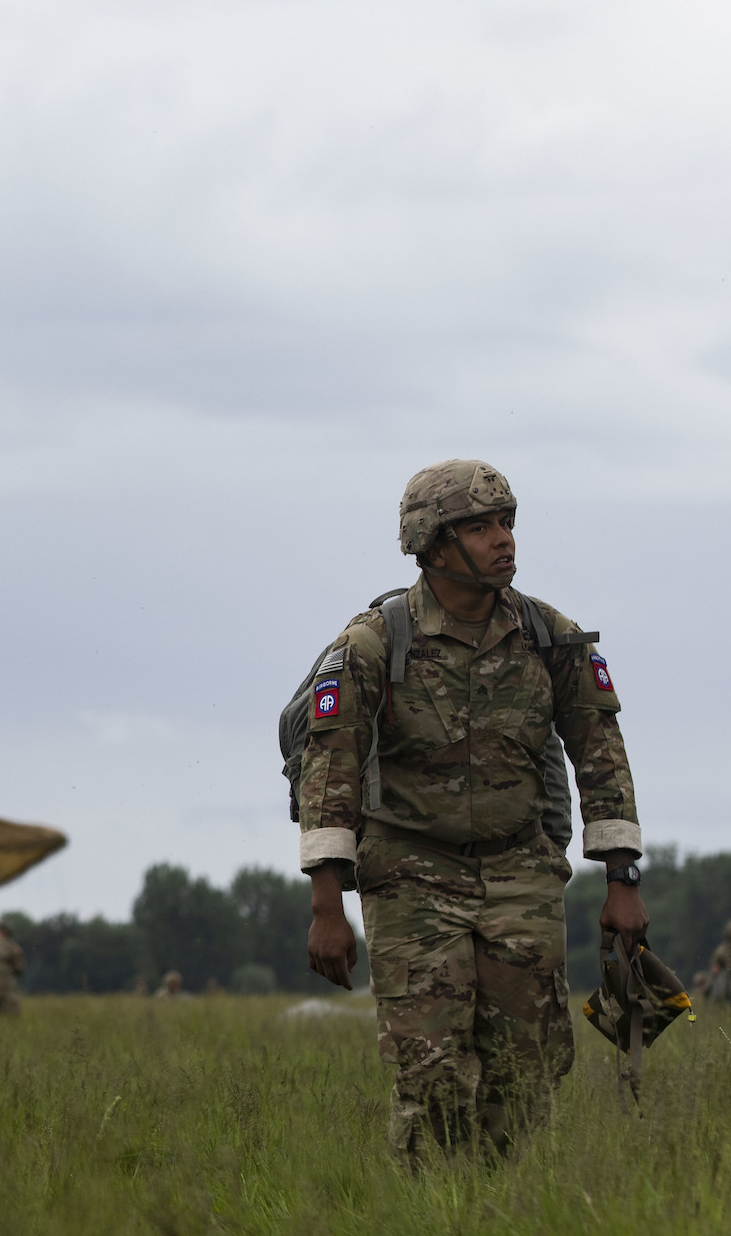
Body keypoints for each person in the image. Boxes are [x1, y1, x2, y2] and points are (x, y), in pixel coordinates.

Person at [299, 459, 648, 1167]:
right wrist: (327, 905)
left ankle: (506, 1202)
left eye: (507, 522)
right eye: (480, 526)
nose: (503, 538)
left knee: (529, 1069)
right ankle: (433, 1205)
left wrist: (622, 880)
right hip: (411, 875)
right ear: (432, 544)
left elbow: (601, 753)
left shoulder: (551, 636)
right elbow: (329, 771)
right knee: (431, 1072)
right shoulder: (372, 644)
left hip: (521, 872)